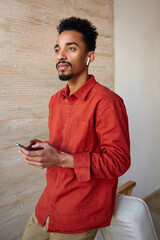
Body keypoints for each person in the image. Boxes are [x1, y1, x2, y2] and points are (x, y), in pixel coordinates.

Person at [20, 17, 130, 240]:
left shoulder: (108, 102)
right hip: (46, 207)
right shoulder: (55, 100)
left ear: (89, 57)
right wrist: (45, 148)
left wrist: (60, 159)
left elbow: (119, 162)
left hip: (79, 214)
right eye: (58, 49)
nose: (61, 55)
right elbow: (70, 145)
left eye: (71, 48)